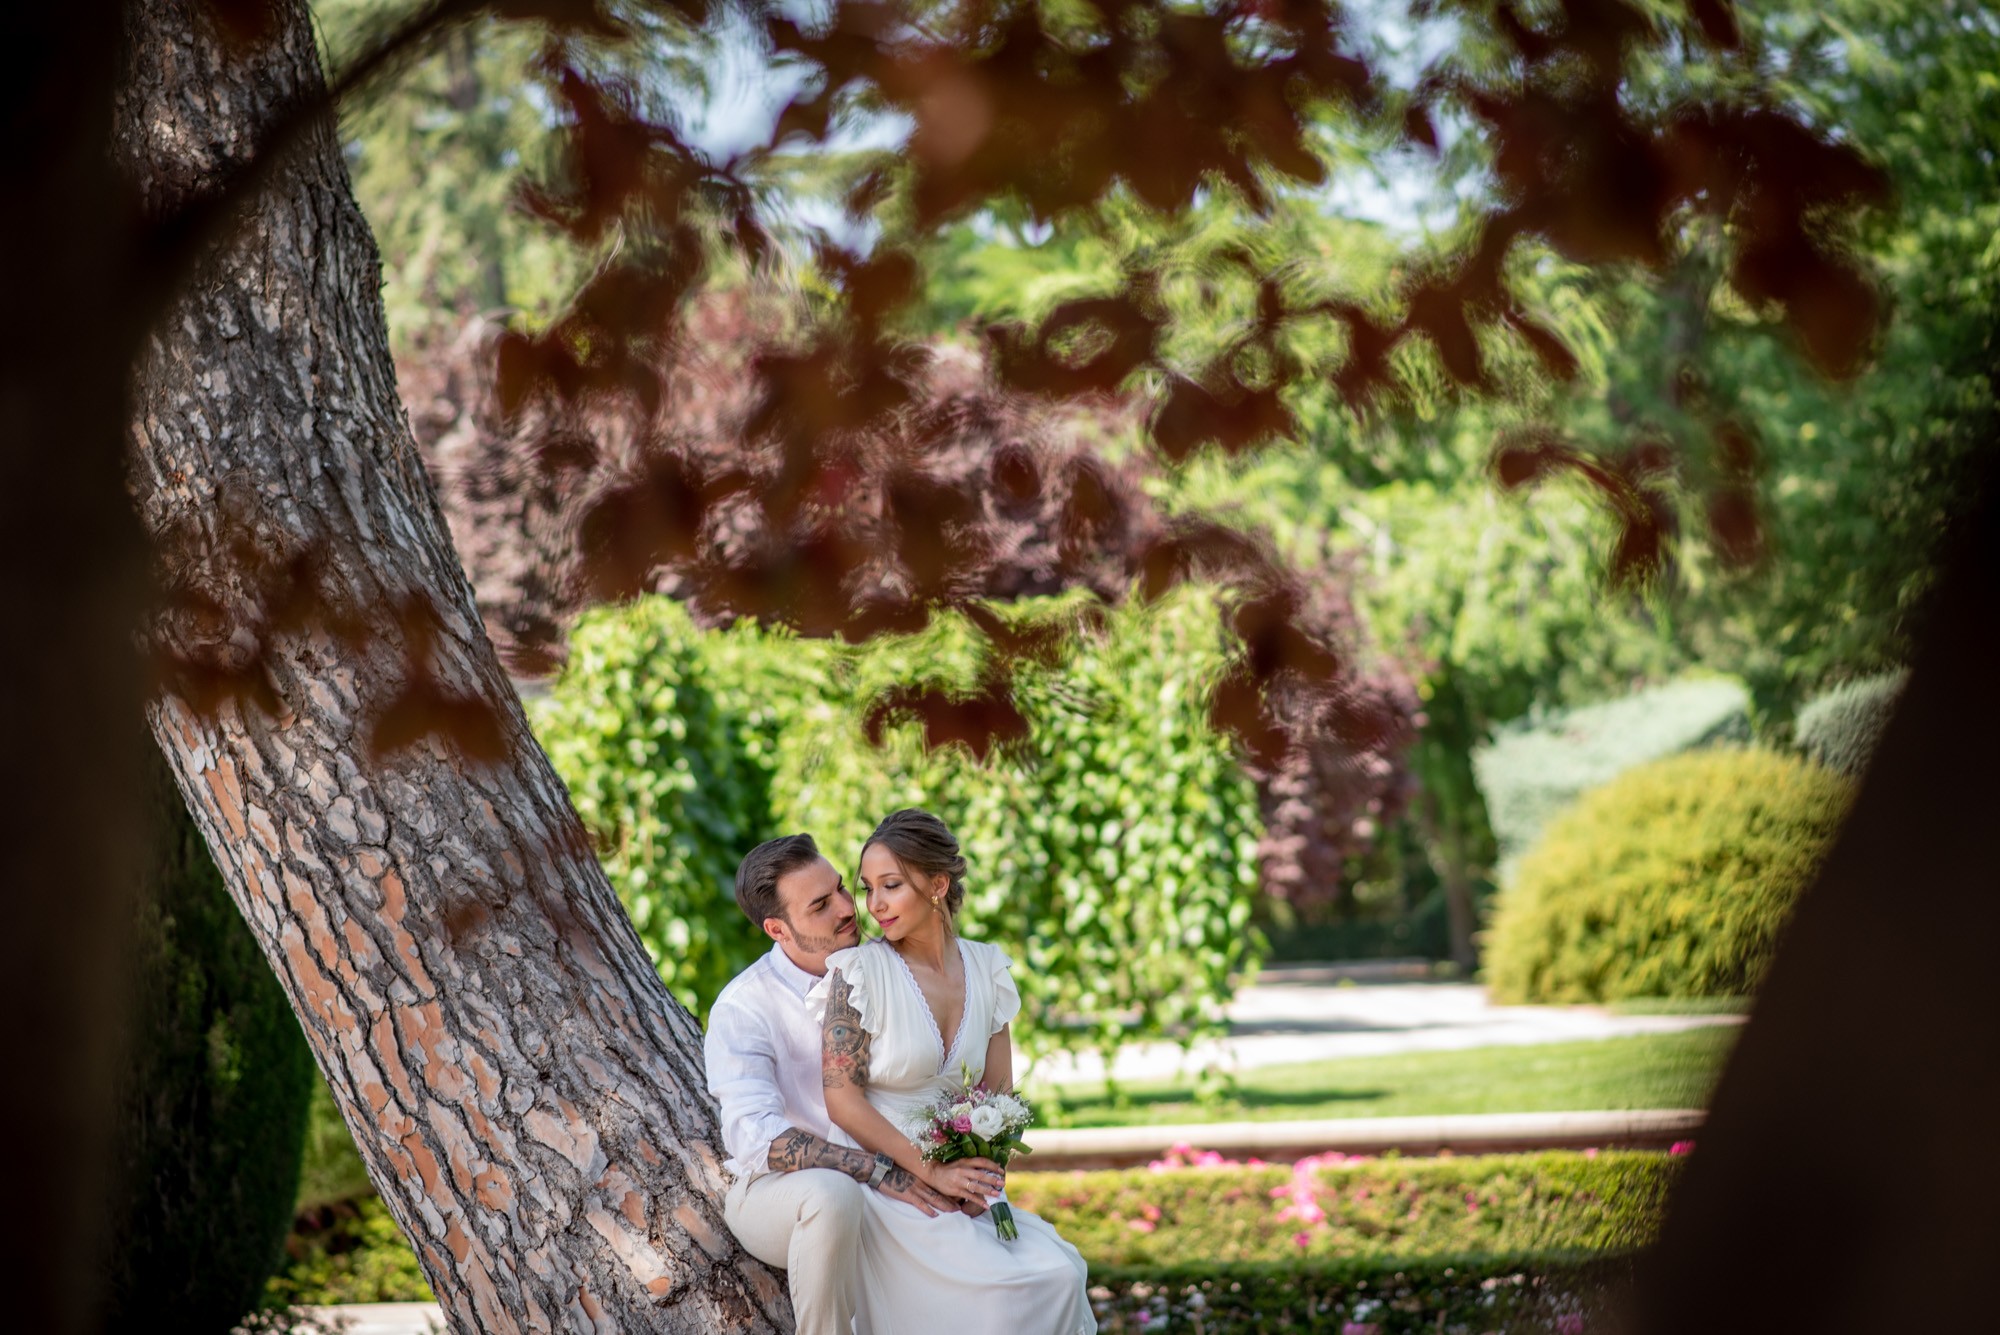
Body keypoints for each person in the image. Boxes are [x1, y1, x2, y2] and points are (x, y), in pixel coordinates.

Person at [811, 809, 1098, 1335]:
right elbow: (842, 1102)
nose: (874, 905)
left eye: (891, 886)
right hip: (891, 1184)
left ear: (938, 885)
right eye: (868, 888)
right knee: (1001, 1301)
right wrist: (931, 1172)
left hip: (965, 1183)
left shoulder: (988, 969)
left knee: (1059, 1274)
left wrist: (986, 1173)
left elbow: (999, 1098)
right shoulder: (859, 973)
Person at [704, 833, 963, 1335]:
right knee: (833, 1194)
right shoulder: (744, 1007)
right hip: (779, 1191)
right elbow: (757, 1138)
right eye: (821, 905)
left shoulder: (887, 968)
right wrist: (877, 1170)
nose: (848, 909)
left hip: (893, 1173)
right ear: (778, 928)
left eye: (843, 889)